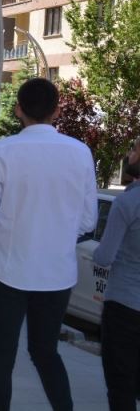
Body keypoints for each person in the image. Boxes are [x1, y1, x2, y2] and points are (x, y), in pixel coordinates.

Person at [0, 78, 98, 411]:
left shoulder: (3, 150)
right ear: (57, 111)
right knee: (45, 352)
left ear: (18, 110)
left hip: (9, 270)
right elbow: (88, 221)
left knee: (1, 355)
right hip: (57, 274)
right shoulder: (80, 152)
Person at [93, 136, 140, 411]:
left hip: (125, 304)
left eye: (134, 150)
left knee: (121, 384)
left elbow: (104, 256)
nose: (129, 154)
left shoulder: (128, 202)